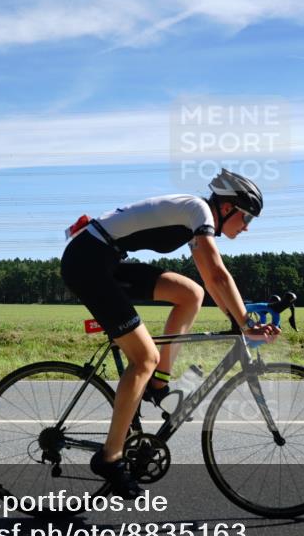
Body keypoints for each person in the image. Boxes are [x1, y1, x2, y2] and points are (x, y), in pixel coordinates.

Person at [61, 169, 279, 497]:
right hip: (88, 263)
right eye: (246, 217)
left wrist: (237, 319)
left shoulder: (195, 219)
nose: (247, 226)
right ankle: (111, 457)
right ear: (227, 207)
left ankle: (158, 383)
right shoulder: (199, 211)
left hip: (104, 259)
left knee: (190, 294)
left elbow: (209, 279)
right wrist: (246, 322)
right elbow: (217, 273)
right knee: (143, 358)